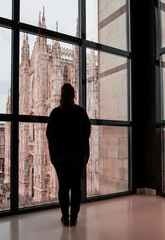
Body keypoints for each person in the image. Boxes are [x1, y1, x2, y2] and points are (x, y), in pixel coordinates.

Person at [46, 83, 91, 227]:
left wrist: (56, 148)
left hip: (60, 157)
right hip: (78, 156)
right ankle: (74, 218)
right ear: (73, 95)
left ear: (61, 96)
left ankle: (65, 217)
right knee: (76, 187)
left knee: (63, 187)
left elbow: (49, 134)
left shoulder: (55, 113)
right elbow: (87, 132)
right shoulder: (80, 112)